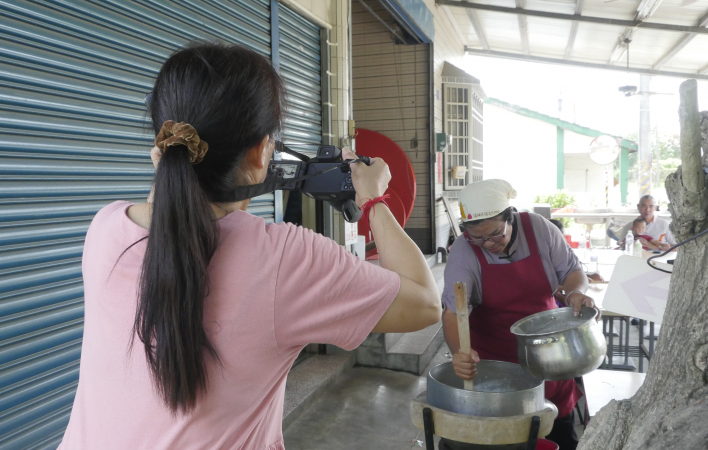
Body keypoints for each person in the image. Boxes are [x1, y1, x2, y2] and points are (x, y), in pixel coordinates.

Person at [58, 43, 441, 450]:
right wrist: (373, 200)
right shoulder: (284, 259)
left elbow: (174, 221)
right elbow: (425, 302)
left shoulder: (104, 229)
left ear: (162, 146)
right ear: (261, 153)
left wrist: (173, 177)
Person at [442, 179, 599, 450]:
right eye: (478, 238)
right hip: (496, 368)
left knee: (559, 431)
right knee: (507, 438)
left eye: (495, 234)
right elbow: (453, 313)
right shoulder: (463, 252)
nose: (488, 243)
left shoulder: (539, 229)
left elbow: (573, 271)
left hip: (551, 355)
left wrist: (575, 292)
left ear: (510, 217)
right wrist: (459, 352)